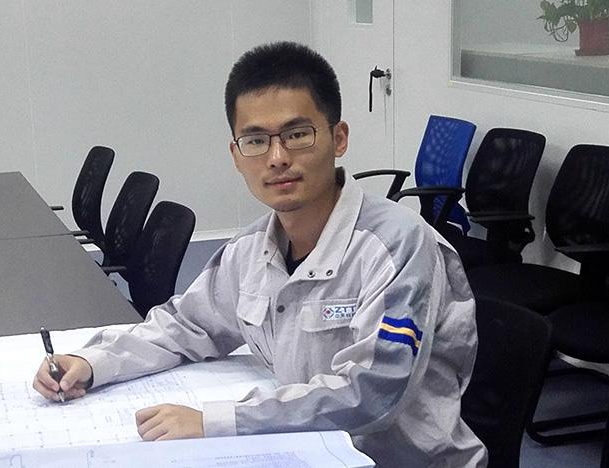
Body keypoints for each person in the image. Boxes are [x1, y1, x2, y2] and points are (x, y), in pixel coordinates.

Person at [33, 41, 487, 467]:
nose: (276, 157)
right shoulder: (251, 250)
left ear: (339, 138)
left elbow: (372, 393)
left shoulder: (399, 247)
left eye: (298, 134)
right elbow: (185, 325)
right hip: (303, 450)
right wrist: (93, 363)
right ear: (236, 155)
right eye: (255, 141)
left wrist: (216, 421)